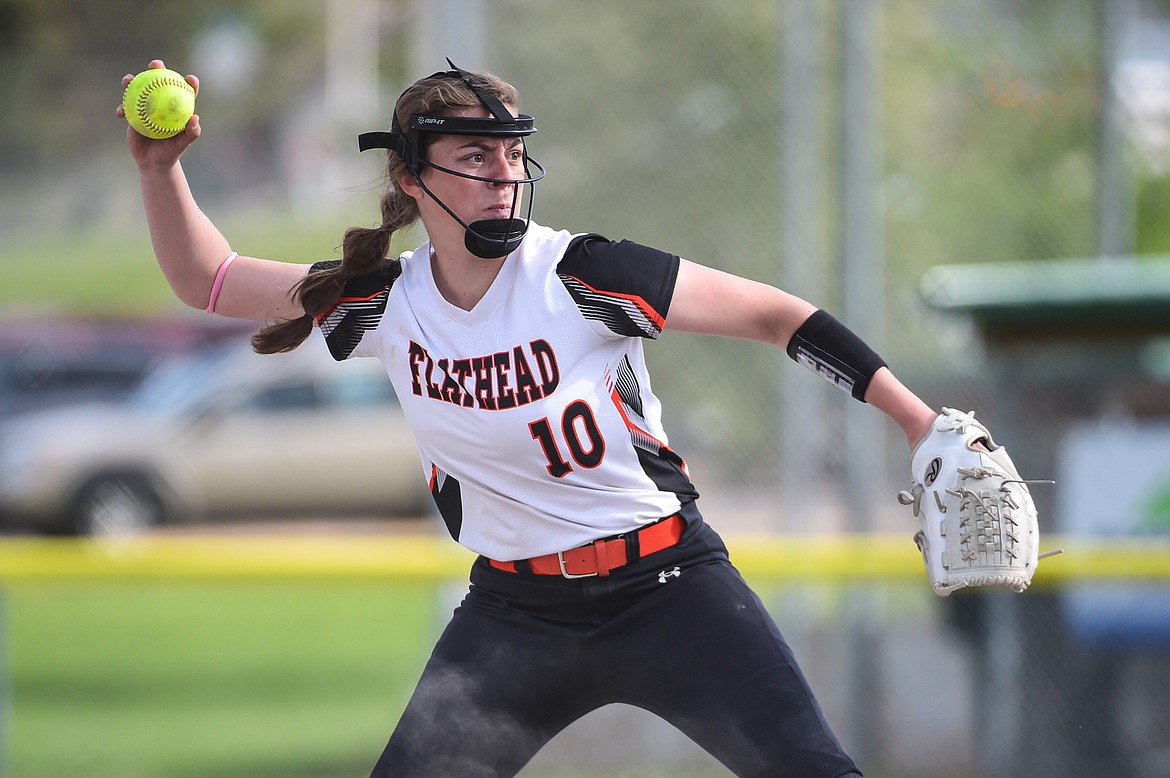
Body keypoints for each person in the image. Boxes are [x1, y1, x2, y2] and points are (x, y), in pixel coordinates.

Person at [120, 57, 938, 778]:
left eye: (511, 153)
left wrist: (916, 421)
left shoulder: (581, 273)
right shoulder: (387, 301)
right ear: (410, 177)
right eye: (474, 155)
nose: (502, 173)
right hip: (515, 615)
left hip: (670, 589)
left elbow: (777, 316)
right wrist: (161, 173)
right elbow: (211, 280)